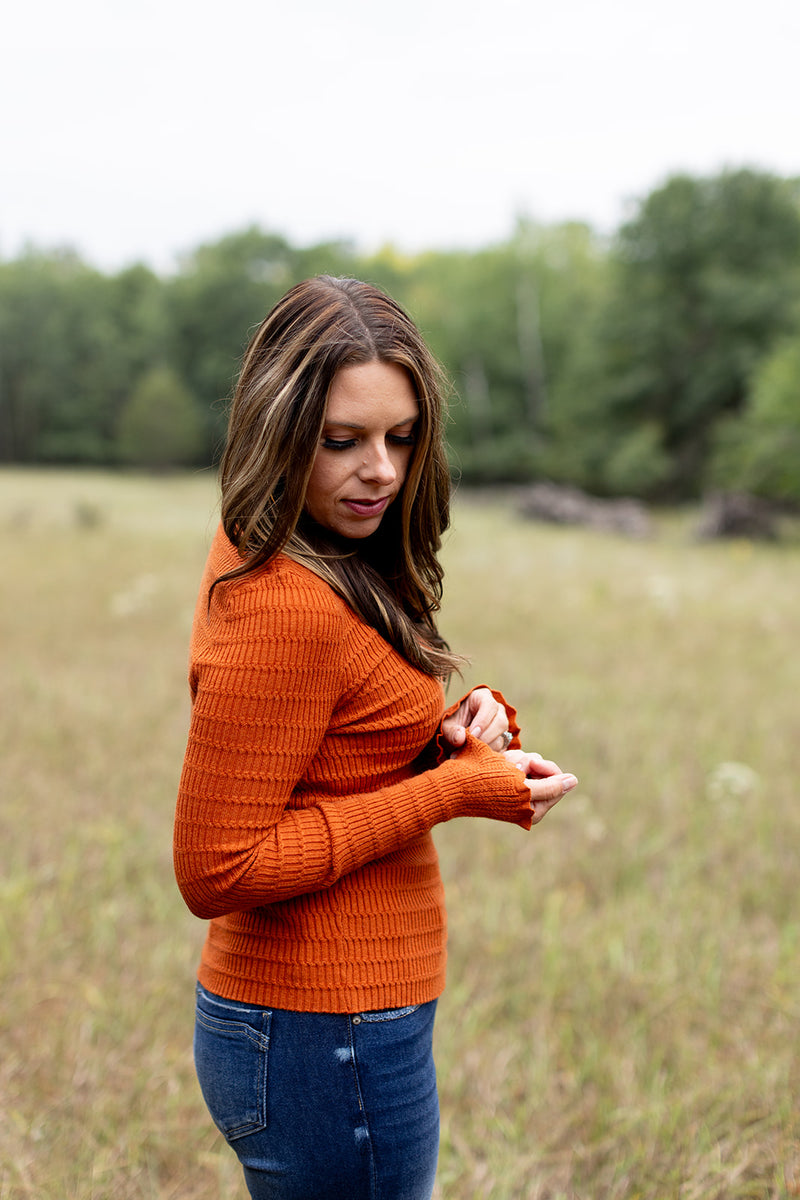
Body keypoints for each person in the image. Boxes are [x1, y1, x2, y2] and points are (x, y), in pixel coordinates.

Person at [173, 275, 578, 1200]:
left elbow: (331, 743)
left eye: (401, 438)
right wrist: (454, 789)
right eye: (342, 441)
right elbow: (215, 869)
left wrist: (454, 737)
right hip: (326, 1030)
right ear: (279, 434)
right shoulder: (283, 600)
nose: (382, 472)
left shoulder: (298, 545)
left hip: (328, 1023)